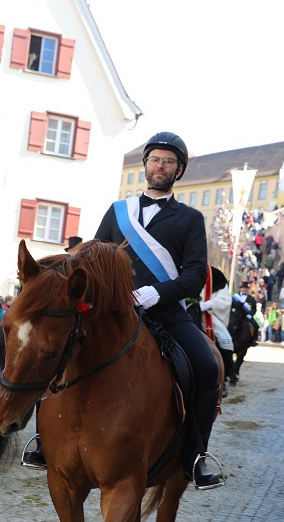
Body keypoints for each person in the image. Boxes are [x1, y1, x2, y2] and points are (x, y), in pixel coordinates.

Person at [92, 131, 223, 488]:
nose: (160, 166)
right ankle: (43, 439)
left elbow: (196, 272)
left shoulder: (191, 218)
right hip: (113, 310)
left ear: (178, 170)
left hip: (164, 311)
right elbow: (96, 257)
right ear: (145, 165)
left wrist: (157, 293)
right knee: (60, 346)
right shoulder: (118, 211)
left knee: (208, 367)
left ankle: (196, 456)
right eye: (155, 159)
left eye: (168, 161)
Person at [199, 267, 234, 390]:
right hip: (188, 311)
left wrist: (208, 304)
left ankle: (224, 377)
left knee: (225, 339)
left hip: (209, 314)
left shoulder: (215, 274)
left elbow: (225, 299)